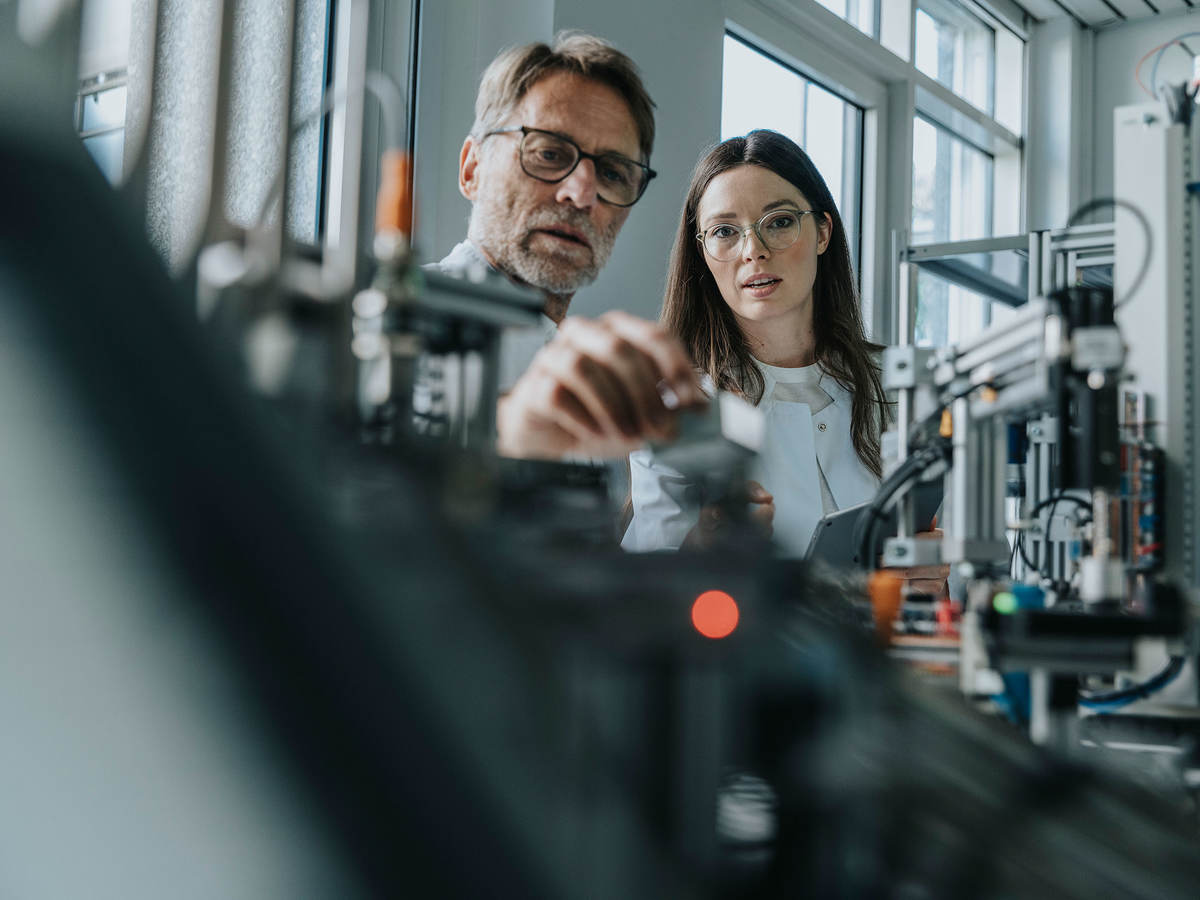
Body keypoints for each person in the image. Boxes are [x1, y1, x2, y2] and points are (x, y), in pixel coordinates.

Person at [427, 32, 705, 459]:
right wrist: (510, 433)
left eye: (612, 173)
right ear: (472, 169)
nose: (582, 193)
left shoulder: (592, 380)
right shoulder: (388, 324)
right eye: (550, 154)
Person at [623, 129, 888, 555]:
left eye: (779, 222)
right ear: (703, 255)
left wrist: (937, 581)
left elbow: (977, 567)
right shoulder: (677, 408)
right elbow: (646, 593)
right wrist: (704, 547)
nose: (753, 250)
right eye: (725, 231)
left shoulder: (898, 390)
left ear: (823, 232)